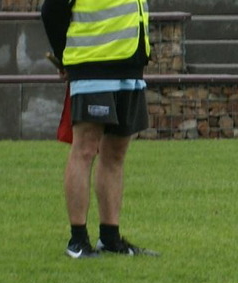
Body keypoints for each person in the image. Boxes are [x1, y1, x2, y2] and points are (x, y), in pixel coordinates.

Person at [41, 0, 157, 258]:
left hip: (131, 63)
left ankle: (111, 238)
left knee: (116, 152)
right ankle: (78, 241)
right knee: (85, 149)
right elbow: (51, 10)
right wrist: (66, 57)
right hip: (92, 65)